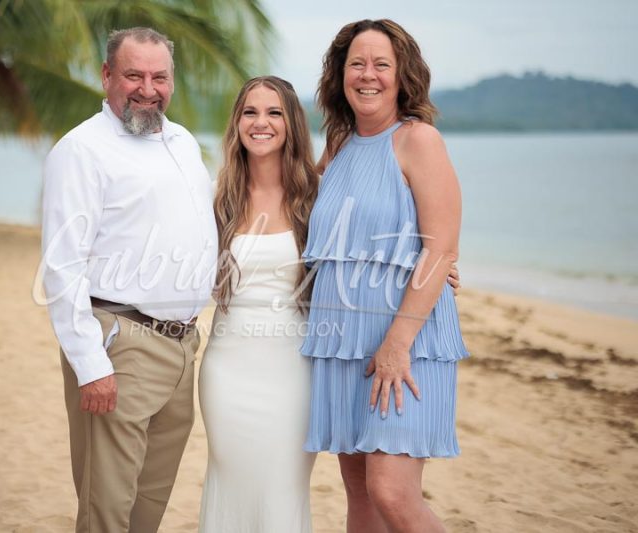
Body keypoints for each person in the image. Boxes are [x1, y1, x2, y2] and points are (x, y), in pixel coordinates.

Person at [40, 27, 217, 533]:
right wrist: (90, 365)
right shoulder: (81, 151)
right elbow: (62, 265)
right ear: (106, 75)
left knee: (149, 502)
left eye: (159, 77)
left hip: (183, 345)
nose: (147, 88)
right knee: (107, 506)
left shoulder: (180, 141)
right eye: (133, 75)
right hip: (121, 343)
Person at [300, 19, 470, 533]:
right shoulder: (337, 145)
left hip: (407, 340)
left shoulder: (419, 140)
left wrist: (398, 342)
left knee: (392, 492)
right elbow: (321, 235)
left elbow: (441, 248)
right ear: (340, 75)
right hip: (342, 343)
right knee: (361, 500)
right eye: (357, 63)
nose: (367, 75)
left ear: (402, 76)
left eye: (381, 64)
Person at [197, 76, 319, 532]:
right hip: (227, 371)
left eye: (274, 113)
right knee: (230, 485)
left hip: (294, 371)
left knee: (282, 491)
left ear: (292, 123)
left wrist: (437, 262)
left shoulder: (317, 195)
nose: (261, 122)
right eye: (250, 112)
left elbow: (372, 248)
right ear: (237, 123)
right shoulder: (215, 195)